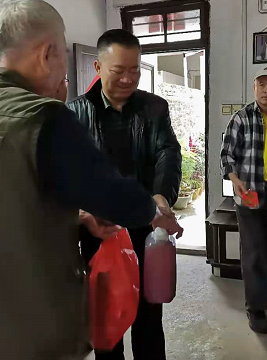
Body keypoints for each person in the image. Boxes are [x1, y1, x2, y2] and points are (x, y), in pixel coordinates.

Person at [0, 0, 181, 360]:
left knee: (147, 319)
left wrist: (81, 217)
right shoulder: (46, 117)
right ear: (47, 54)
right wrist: (152, 210)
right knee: (105, 324)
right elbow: (109, 192)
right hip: (17, 325)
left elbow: (6, 199)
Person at [67, 29, 183, 360]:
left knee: (149, 315)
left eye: (135, 70)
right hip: (99, 232)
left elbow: (167, 153)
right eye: (119, 70)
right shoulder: (75, 114)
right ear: (98, 67)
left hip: (146, 228)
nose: (128, 79)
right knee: (108, 320)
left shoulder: (154, 107)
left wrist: (161, 196)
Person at [220, 66, 267, 334]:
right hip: (249, 191)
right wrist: (234, 179)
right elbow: (226, 154)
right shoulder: (241, 118)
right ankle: (256, 308)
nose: (266, 90)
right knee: (253, 249)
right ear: (254, 87)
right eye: (261, 84)